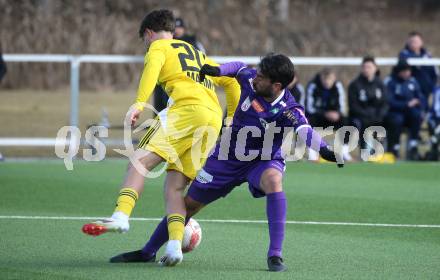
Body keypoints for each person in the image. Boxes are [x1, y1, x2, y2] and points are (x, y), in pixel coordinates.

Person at [109, 54, 343, 272]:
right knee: (189, 205)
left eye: (262, 77)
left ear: (277, 86)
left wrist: (323, 149)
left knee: (274, 180)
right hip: (226, 158)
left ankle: (275, 255)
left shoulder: (289, 109)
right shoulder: (252, 79)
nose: (256, 77)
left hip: (262, 161)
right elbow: (238, 67)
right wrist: (217, 69)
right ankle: (148, 250)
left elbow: (305, 130)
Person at [82, 9, 240, 267]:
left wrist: (138, 104)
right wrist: (231, 119)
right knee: (175, 187)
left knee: (138, 161)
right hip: (210, 118)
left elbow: (151, 71)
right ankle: (175, 246)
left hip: (185, 110)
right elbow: (233, 84)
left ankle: (121, 215)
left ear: (149, 33)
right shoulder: (198, 54)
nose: (146, 45)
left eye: (144, 40)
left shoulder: (158, 47)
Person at [153, 17, 206, 114]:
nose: (177, 30)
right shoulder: (166, 42)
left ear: (184, 29)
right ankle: (158, 120)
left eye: (179, 27)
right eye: (175, 28)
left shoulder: (192, 42)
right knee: (161, 98)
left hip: (187, 78)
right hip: (170, 76)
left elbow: (202, 58)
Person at [305, 68, 351, 160]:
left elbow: (342, 106)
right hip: (318, 117)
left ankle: (344, 152)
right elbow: (309, 107)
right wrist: (325, 114)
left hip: (334, 118)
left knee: (346, 120)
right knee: (309, 121)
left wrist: (337, 113)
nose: (327, 82)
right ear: (321, 77)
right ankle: (312, 153)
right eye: (325, 79)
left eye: (329, 79)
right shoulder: (313, 85)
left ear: (334, 78)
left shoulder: (338, 86)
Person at [384, 60, 424, 160]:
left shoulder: (413, 81)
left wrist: (419, 103)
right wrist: (406, 104)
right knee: (396, 120)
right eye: (405, 71)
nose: (408, 73)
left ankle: (413, 145)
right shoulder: (391, 82)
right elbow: (389, 101)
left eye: (409, 71)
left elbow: (420, 97)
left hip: (410, 113)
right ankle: (394, 147)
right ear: (399, 71)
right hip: (395, 112)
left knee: (417, 115)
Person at [348, 56, 388, 153]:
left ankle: (390, 150)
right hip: (361, 117)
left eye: (369, 67)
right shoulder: (355, 85)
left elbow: (385, 103)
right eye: (364, 67)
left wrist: (379, 115)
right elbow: (353, 105)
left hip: (378, 117)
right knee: (358, 123)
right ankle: (365, 150)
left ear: (375, 68)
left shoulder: (381, 84)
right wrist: (367, 115)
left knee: (393, 120)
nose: (366, 70)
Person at [398, 31, 438, 101]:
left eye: (416, 41)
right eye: (411, 41)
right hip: (410, 91)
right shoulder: (403, 55)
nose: (414, 43)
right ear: (408, 42)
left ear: (421, 42)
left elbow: (434, 72)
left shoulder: (428, 56)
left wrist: (432, 85)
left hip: (426, 90)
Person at [427, 86, 440, 160]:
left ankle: (434, 140)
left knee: (436, 134)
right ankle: (434, 154)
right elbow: (432, 106)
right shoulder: (435, 90)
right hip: (435, 118)